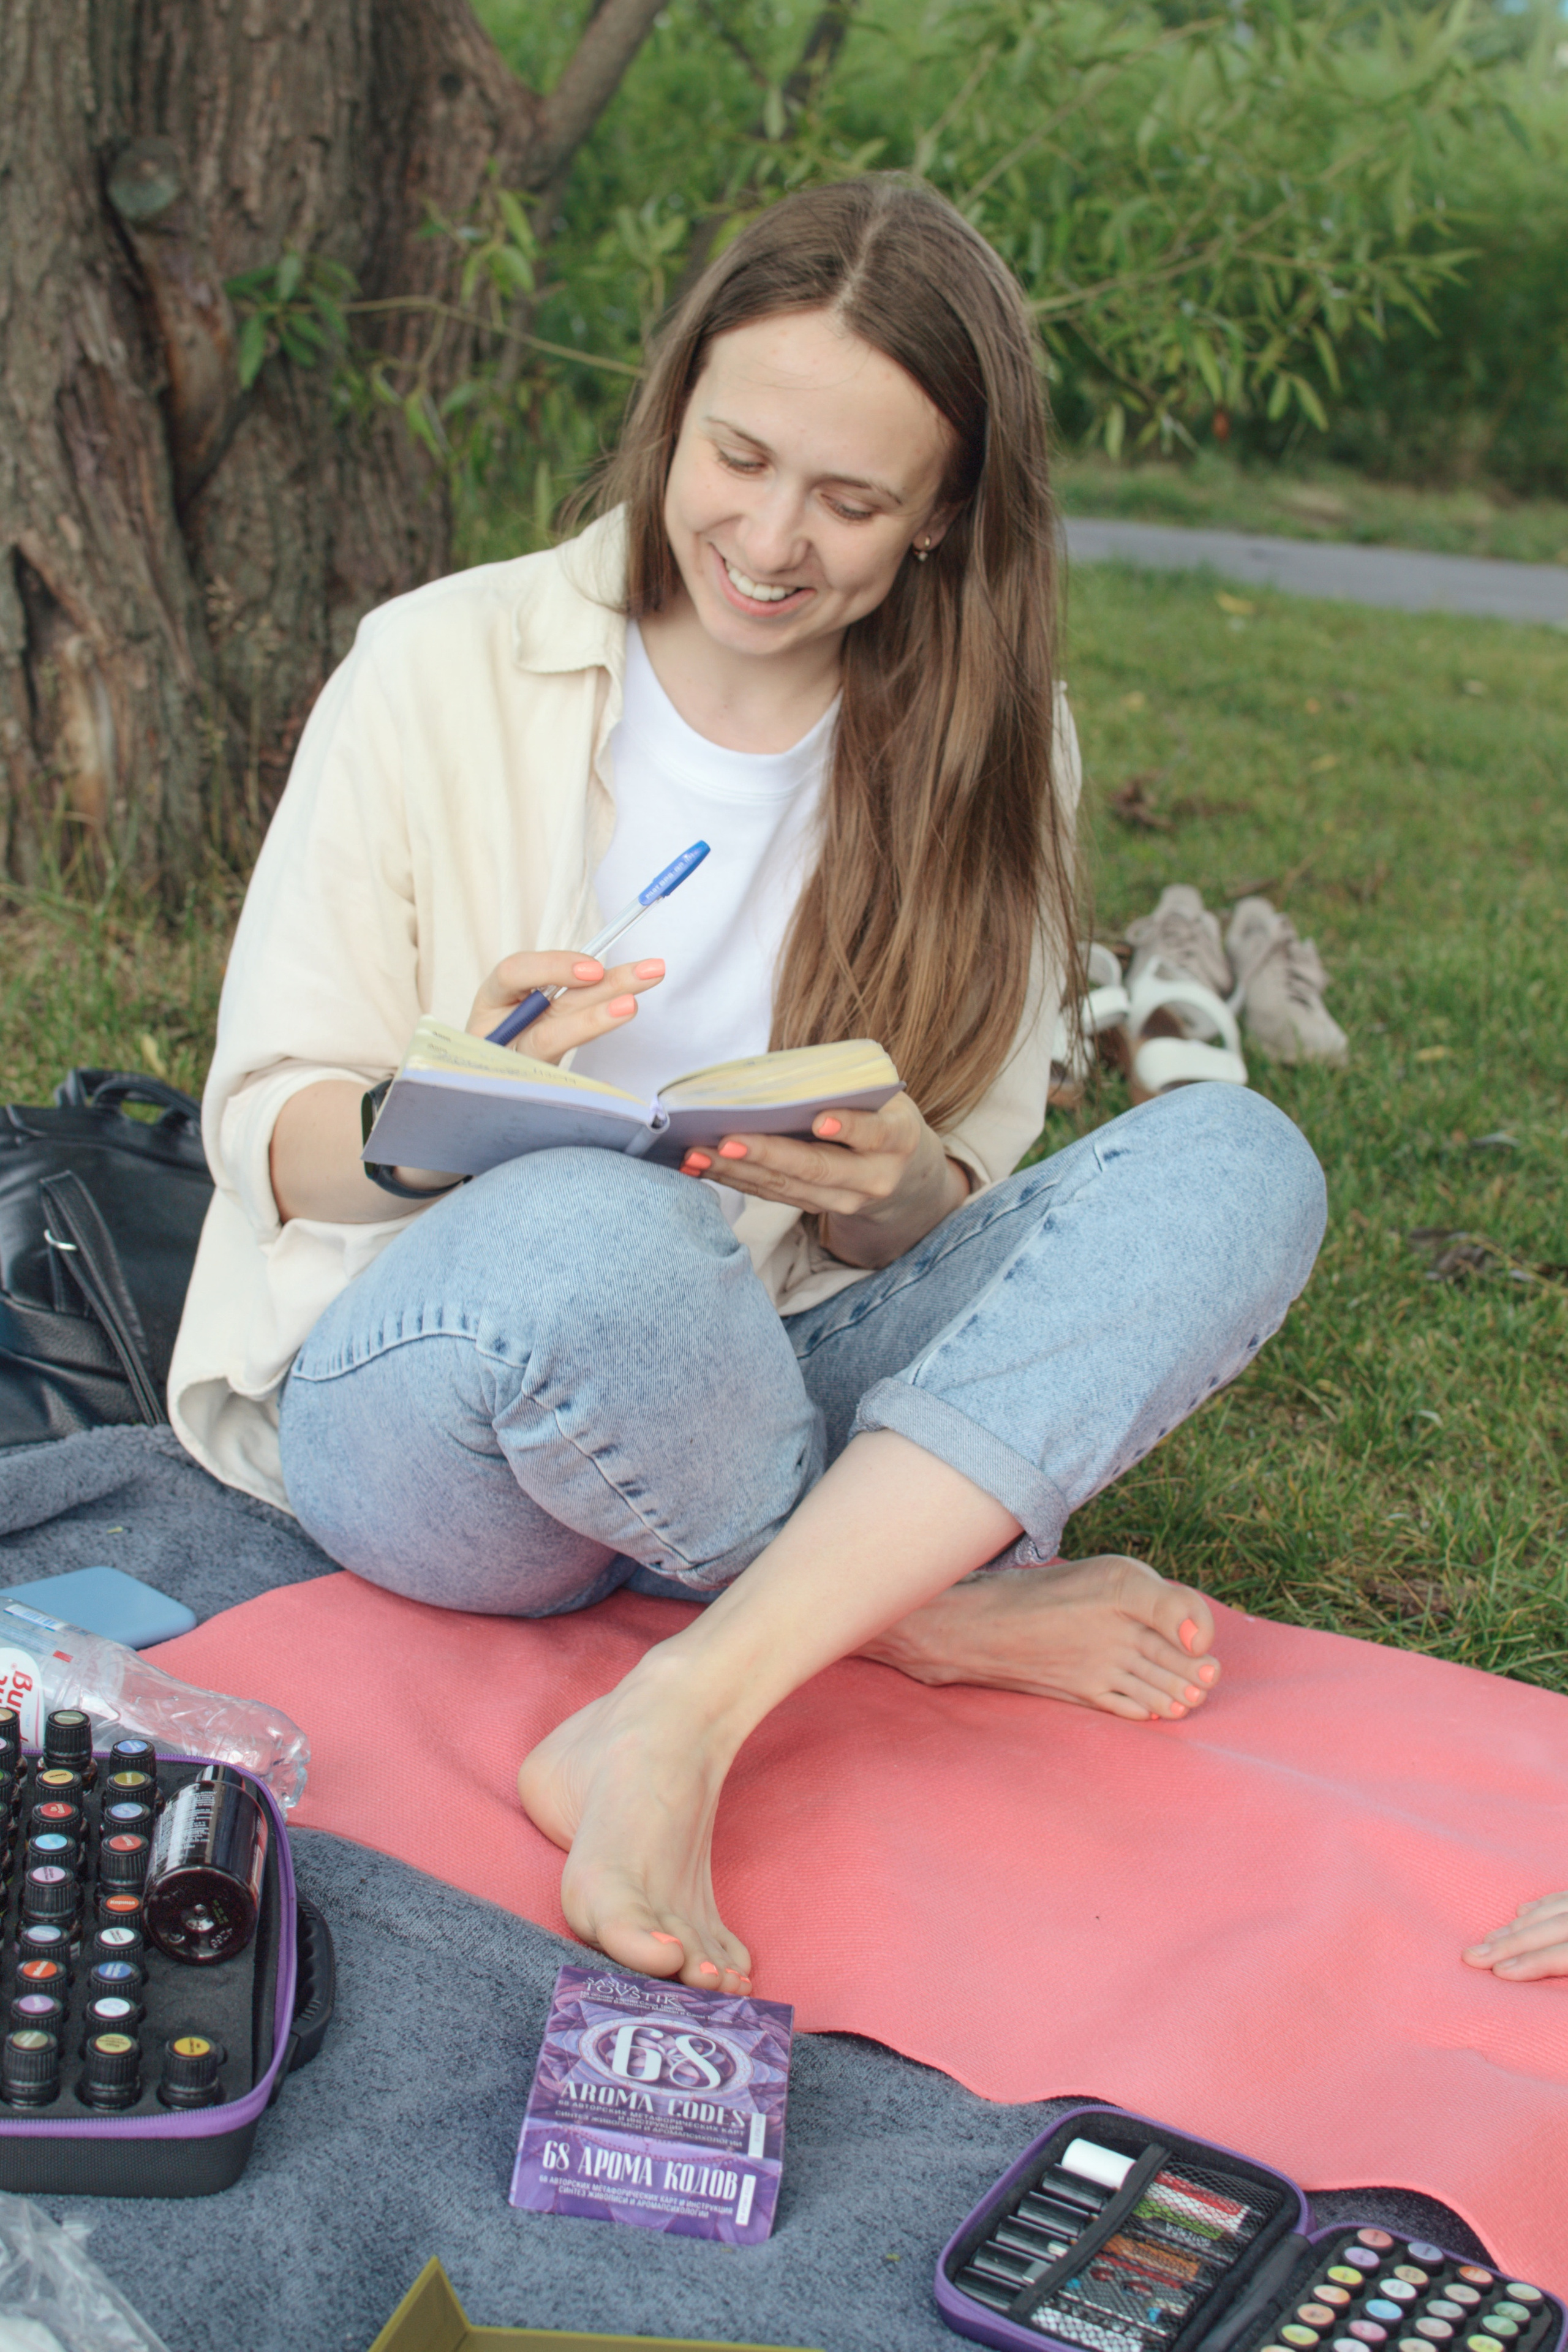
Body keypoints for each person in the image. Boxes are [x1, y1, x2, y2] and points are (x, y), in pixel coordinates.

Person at [169, 176, 1326, 1994]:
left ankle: (686, 1699)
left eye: (854, 501)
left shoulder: (996, 745)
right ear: (675, 409)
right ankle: (911, 1603)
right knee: (594, 1225)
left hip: (767, 1366)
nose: (772, 538)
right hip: (436, 1399)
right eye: (740, 456)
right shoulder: (439, 664)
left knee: (1242, 1160)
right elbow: (265, 1134)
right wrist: (441, 1112)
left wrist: (900, 1197)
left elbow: (974, 1191)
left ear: (948, 514)